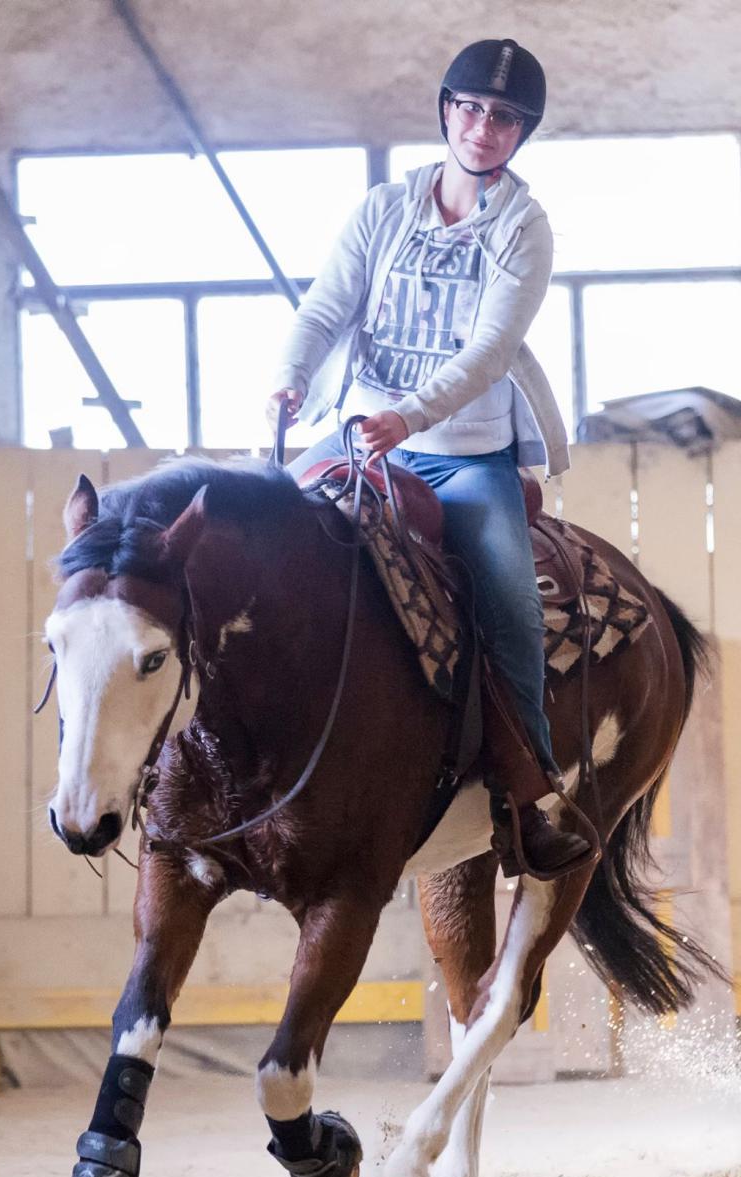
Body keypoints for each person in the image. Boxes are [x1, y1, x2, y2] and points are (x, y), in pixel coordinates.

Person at [267, 38, 590, 879]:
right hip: (359, 435)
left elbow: (491, 351)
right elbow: (326, 306)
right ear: (447, 111)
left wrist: (406, 418)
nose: (485, 129)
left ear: (523, 134)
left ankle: (533, 797)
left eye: (506, 118)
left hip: (463, 452)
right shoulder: (383, 210)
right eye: (473, 109)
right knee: (261, 541)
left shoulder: (524, 227)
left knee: (512, 607)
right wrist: (289, 379)